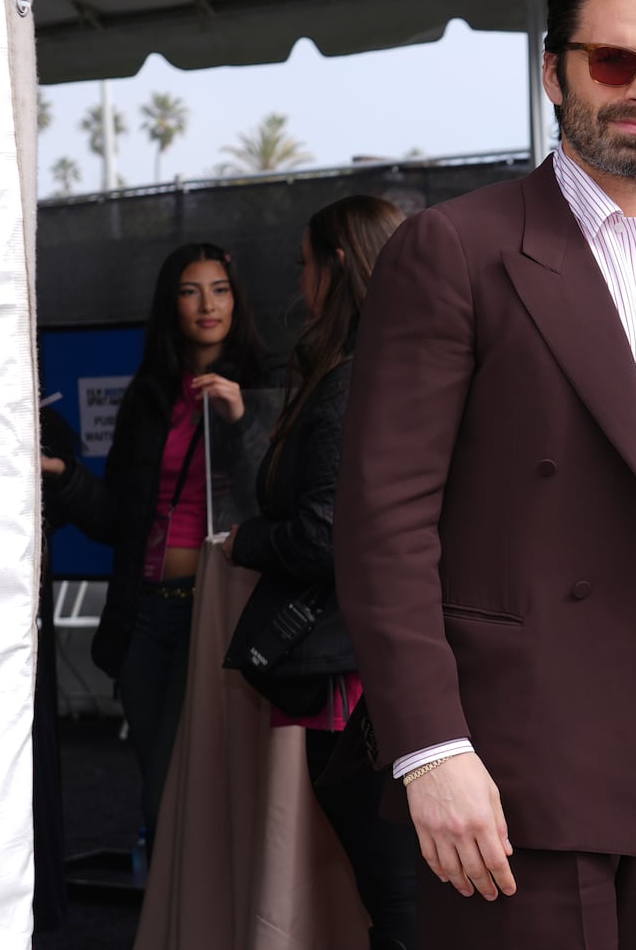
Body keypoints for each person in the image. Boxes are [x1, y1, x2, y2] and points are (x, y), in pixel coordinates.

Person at [333, 0, 636, 948]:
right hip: (516, 735)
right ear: (554, 71)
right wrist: (430, 744)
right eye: (612, 59)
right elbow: (383, 522)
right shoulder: (456, 249)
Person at [220, 196, 418, 949]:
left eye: (305, 263)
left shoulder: (350, 381)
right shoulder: (398, 365)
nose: (298, 281)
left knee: (398, 896)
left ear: (336, 268)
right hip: (382, 667)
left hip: (360, 679)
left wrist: (246, 542)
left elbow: (326, 534)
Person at [43, 242, 266, 845]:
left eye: (219, 288)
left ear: (236, 298)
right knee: (153, 778)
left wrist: (242, 419)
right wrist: (63, 475)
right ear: (172, 304)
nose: (207, 304)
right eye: (190, 291)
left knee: (180, 782)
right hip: (144, 612)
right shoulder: (148, 395)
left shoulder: (264, 382)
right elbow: (117, 518)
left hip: (216, 610)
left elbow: (276, 504)